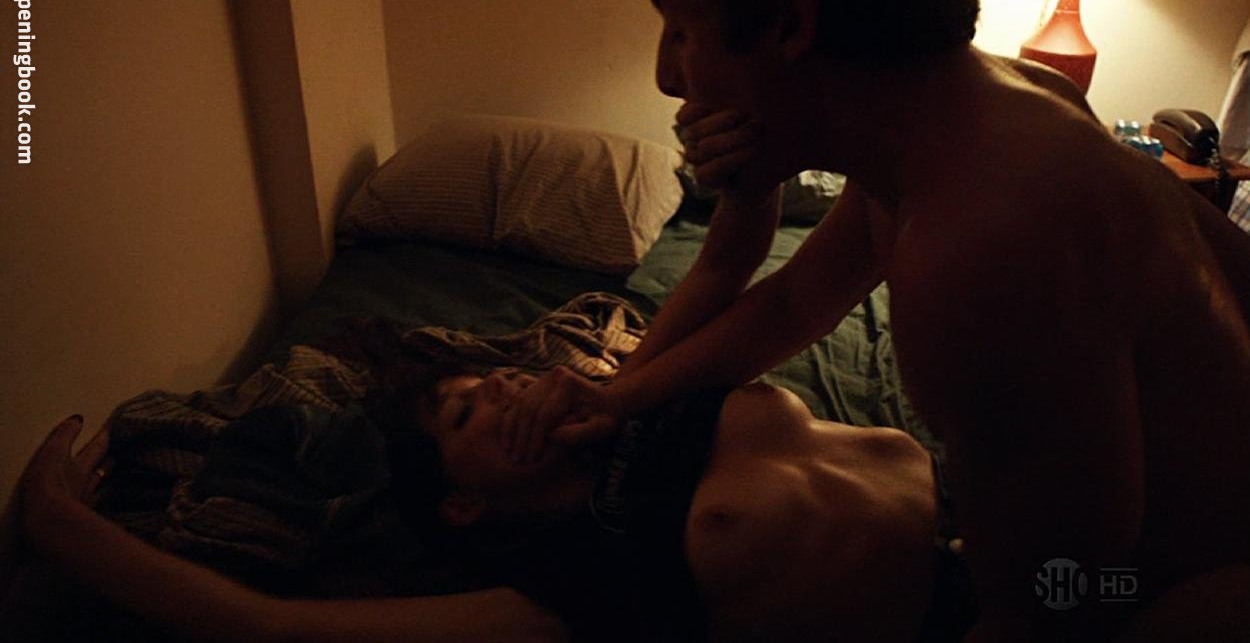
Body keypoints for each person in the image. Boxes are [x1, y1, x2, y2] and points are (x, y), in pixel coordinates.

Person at [501, 0, 1250, 641]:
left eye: (681, 30)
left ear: (791, 24)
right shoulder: (969, 110)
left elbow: (1053, 602)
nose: (670, 77)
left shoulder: (987, 239)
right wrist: (615, 400)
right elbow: (798, 301)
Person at [5, 353, 962, 642]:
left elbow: (741, 275)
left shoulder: (636, 401)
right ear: (462, 503)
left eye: (500, 378)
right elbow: (267, 622)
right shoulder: (567, 578)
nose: (505, 389)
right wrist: (58, 522)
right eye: (467, 414)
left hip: (1007, 514)